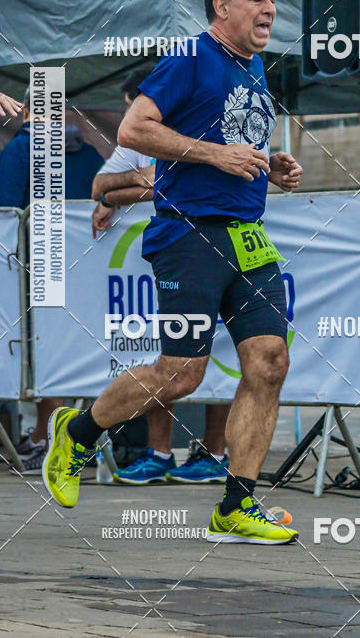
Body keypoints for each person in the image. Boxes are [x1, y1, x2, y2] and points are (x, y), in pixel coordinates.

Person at [44, 0, 303, 545]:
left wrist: (270, 166)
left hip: (248, 237)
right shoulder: (191, 56)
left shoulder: (254, 66)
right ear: (222, 5)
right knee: (181, 374)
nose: (268, 9)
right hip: (190, 235)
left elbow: (235, 143)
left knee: (269, 361)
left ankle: (236, 507)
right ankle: (78, 432)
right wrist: (215, 156)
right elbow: (136, 130)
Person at [92, 66, 231, 486]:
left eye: (137, 107)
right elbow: (100, 186)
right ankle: (159, 453)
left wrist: (143, 188)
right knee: (171, 355)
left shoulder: (205, 122)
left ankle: (214, 452)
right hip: (168, 254)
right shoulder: (137, 138)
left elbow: (194, 187)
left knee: (221, 351)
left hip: (219, 246)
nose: (132, 118)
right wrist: (140, 180)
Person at [0, 88, 104, 472]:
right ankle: (71, 436)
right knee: (76, 351)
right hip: (88, 269)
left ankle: (43, 437)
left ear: (24, 110)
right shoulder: (88, 153)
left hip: (38, 267)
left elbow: (2, 214)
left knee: (44, 352)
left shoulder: (18, 151)